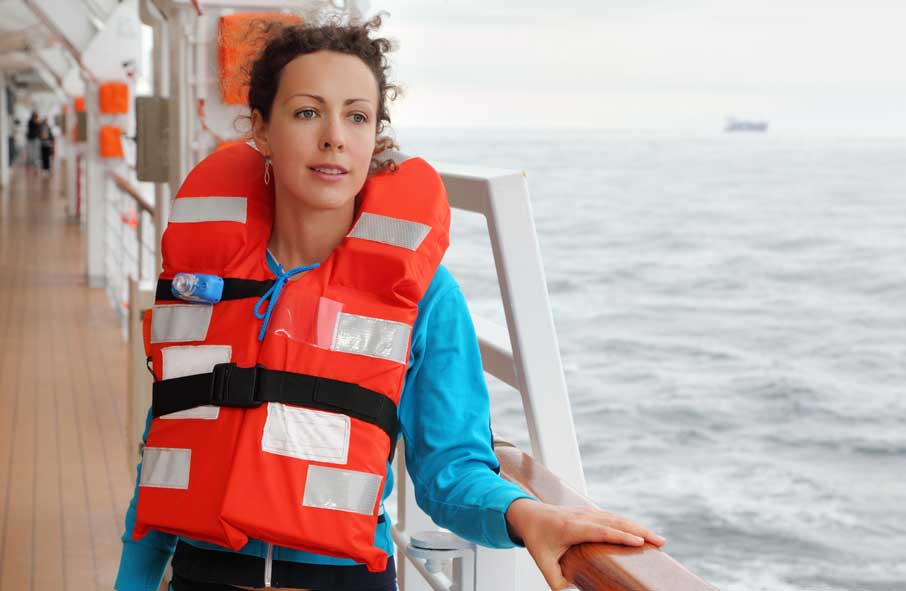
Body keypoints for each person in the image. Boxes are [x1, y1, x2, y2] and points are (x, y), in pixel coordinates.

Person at [115, 14, 666, 591]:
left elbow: (450, 470)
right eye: (307, 112)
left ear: (374, 133)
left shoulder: (425, 296)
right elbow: (165, 458)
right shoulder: (205, 280)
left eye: (357, 115)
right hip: (204, 579)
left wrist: (527, 515)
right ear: (260, 129)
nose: (334, 136)